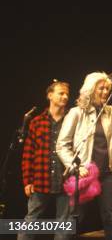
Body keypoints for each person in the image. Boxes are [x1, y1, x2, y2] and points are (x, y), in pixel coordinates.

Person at [57, 72, 112, 240]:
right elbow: (62, 145)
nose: (105, 92)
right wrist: (75, 167)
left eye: (107, 89)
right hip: (84, 173)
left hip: (107, 173)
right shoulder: (76, 113)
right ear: (90, 89)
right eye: (101, 88)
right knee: (74, 219)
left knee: (111, 217)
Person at [19, 81, 71, 240]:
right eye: (61, 93)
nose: (65, 96)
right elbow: (28, 153)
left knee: (63, 225)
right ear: (50, 95)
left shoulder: (72, 120)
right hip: (41, 179)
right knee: (31, 220)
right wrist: (27, 180)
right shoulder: (36, 122)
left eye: (67, 94)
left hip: (65, 179)